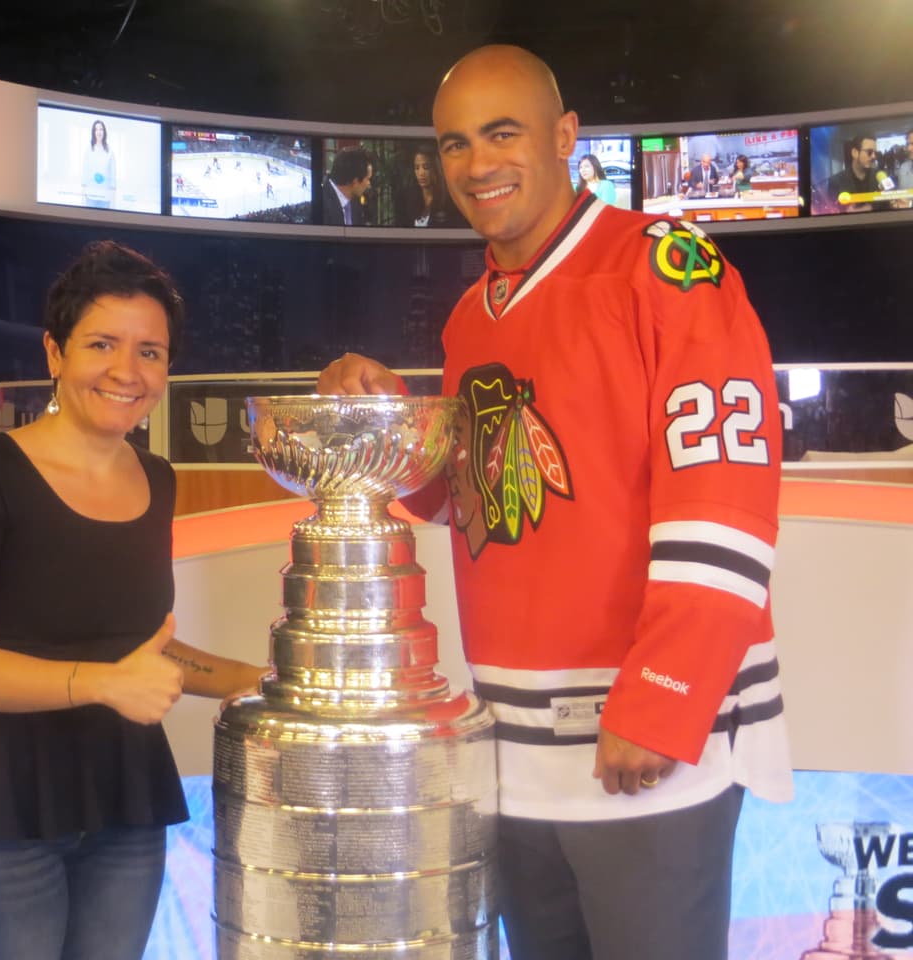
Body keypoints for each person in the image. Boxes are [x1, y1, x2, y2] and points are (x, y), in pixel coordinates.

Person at [316, 45, 791, 960]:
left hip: (644, 737)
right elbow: (477, 503)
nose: (477, 164)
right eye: (454, 144)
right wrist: (389, 422)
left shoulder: (666, 268)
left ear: (567, 137)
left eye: (504, 133)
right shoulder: (469, 317)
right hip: (514, 748)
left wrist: (662, 697)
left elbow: (726, 496)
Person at [0, 240, 267, 960]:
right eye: (102, 344)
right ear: (54, 353)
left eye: (151, 352)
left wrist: (256, 682)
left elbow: (140, 648)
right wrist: (104, 684)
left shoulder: (157, 479)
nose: (128, 372)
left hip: (124, 803)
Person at [400, 142, 468, 227]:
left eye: (426, 167)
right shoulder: (410, 201)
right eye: (417, 168)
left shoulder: (449, 203)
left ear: (436, 168)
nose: (421, 173)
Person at [824, 132, 891, 213]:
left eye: (875, 153)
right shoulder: (835, 181)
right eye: (869, 152)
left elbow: (889, 205)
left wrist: (871, 207)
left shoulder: (881, 176)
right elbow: (830, 211)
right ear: (855, 153)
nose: (874, 156)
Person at [323, 146, 372, 226]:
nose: (369, 183)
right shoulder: (322, 205)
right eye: (368, 179)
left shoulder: (355, 202)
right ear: (355, 182)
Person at [80, 119, 117, 209]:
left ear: (104, 132)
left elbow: (113, 172)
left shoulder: (110, 151)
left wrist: (112, 193)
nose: (99, 132)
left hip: (105, 196)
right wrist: (83, 191)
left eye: (101, 129)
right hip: (91, 195)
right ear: (93, 132)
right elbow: (85, 170)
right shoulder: (88, 149)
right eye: (96, 129)